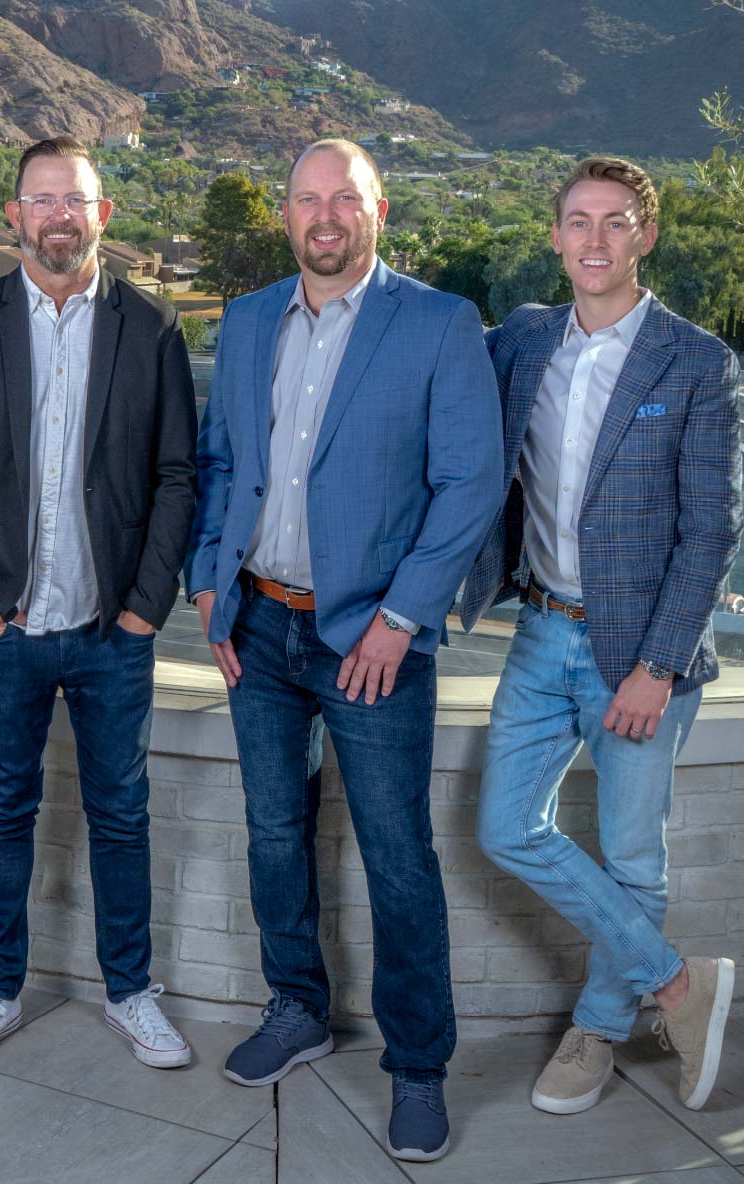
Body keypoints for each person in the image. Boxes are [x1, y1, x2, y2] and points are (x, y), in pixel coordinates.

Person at [184, 138, 503, 1162]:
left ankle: (417, 1065)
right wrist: (207, 576)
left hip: (374, 637)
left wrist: (402, 617)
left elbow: (470, 484)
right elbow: (221, 460)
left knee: (397, 857)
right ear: (285, 214)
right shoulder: (244, 319)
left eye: (345, 199)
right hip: (259, 623)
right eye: (308, 199)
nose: (325, 216)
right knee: (275, 832)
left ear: (379, 209)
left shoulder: (440, 322)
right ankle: (297, 1007)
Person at [0, 135, 198, 1071]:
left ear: (102, 214)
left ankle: (129, 991)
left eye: (76, 199)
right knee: (3, 813)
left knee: (120, 814)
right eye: (42, 200)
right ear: (14, 216)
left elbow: (177, 477)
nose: (59, 215)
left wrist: (147, 610)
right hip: (8, 630)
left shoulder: (150, 329)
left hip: (114, 632)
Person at [463, 156, 742, 1115]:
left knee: (633, 860)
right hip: (542, 630)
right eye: (577, 222)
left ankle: (597, 1030)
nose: (594, 240)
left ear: (645, 235)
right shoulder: (524, 343)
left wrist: (658, 667)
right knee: (505, 827)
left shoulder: (694, 358)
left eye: (615, 222)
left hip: (641, 655)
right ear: (554, 236)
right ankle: (675, 983)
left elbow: (713, 528)